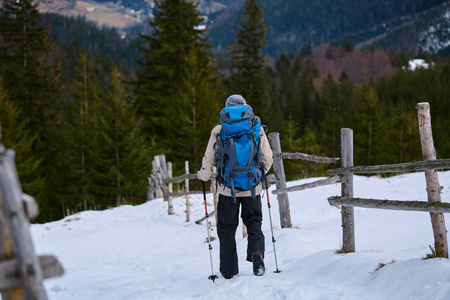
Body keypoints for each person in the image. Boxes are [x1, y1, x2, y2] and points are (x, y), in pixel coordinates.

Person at [197, 94, 273, 279]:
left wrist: (204, 175)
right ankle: (256, 253)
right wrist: (257, 174)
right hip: (252, 187)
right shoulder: (256, 127)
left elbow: (210, 158)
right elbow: (268, 158)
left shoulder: (219, 129)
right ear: (245, 107)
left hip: (226, 189)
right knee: (254, 222)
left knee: (226, 228)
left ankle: (229, 271)